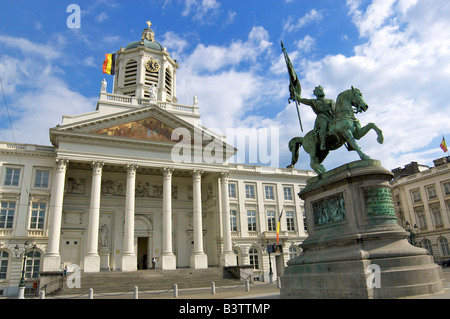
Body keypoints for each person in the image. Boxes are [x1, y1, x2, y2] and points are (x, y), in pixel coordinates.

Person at [295, 86, 335, 151]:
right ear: (315, 93)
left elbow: (334, 110)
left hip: (331, 117)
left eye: (321, 90)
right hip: (321, 117)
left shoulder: (330, 101)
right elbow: (301, 99)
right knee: (323, 125)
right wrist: (295, 94)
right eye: (319, 90)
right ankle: (322, 144)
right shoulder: (313, 101)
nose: (321, 91)